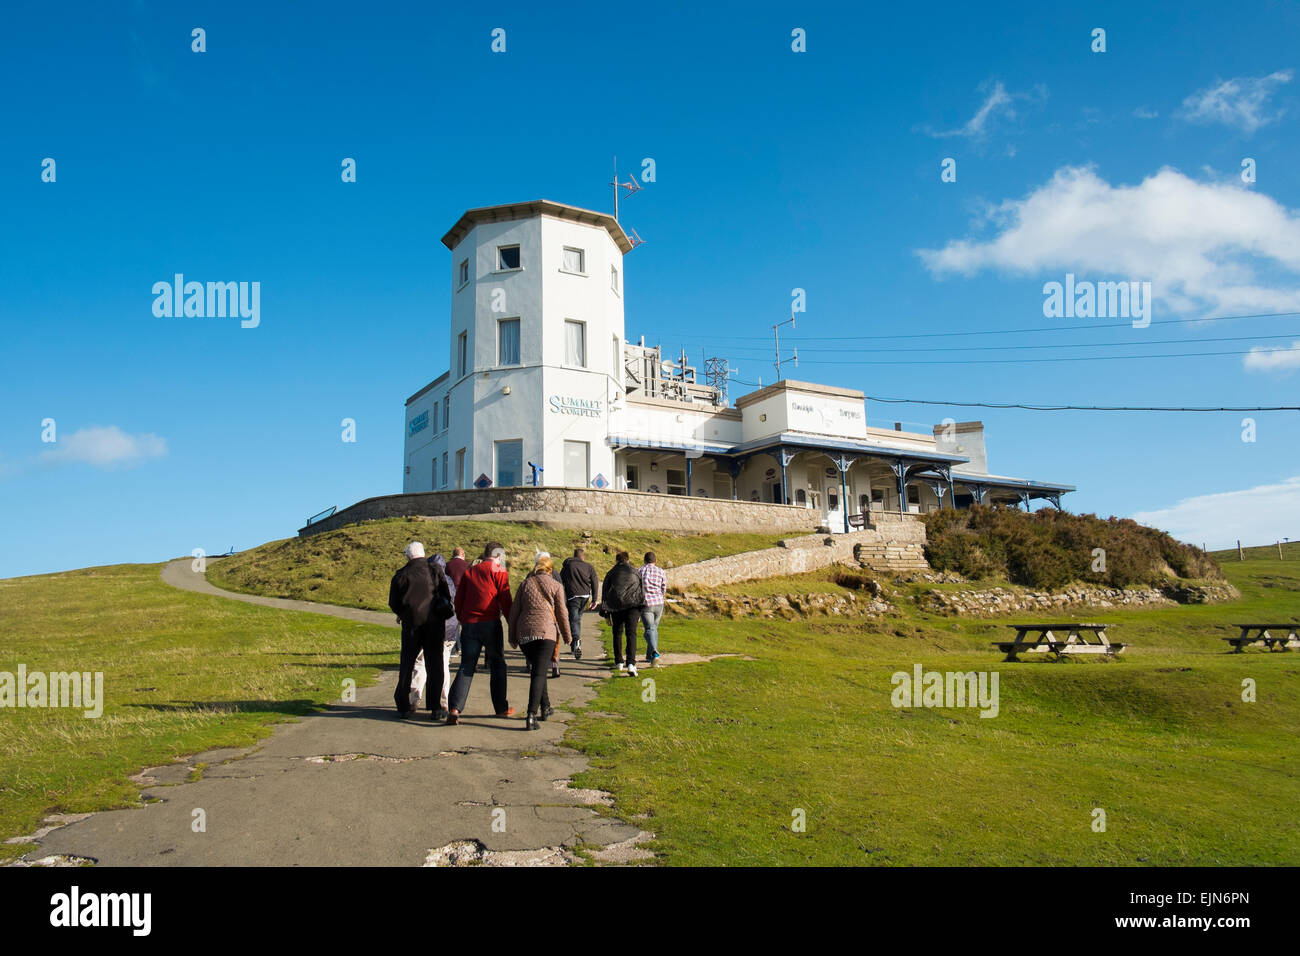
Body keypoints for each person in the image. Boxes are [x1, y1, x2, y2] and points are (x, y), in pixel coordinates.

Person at [446, 542, 514, 724]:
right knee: (498, 664)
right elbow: (505, 600)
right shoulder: (499, 571)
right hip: (490, 622)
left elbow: (459, 599)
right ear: (499, 555)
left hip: (469, 624)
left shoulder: (470, 571)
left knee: (467, 665)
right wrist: (512, 623)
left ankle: (454, 708)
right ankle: (501, 708)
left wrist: (461, 617)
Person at [506, 552, 572, 730]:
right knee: (539, 674)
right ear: (550, 570)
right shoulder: (556, 586)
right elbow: (562, 613)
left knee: (538, 670)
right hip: (545, 634)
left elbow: (514, 612)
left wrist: (512, 636)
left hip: (525, 635)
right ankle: (531, 715)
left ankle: (546, 707)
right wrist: (568, 636)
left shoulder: (525, 584)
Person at [388, 542, 452, 719]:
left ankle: (403, 705)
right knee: (435, 665)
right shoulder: (435, 570)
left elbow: (393, 602)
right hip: (434, 624)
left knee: (407, 665)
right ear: (423, 554)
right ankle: (435, 708)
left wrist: (404, 613)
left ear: (408, 556)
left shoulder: (401, 575)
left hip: (411, 626)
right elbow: (446, 594)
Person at [601, 550, 644, 677]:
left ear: (616, 560)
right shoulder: (635, 571)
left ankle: (619, 661)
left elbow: (605, 593)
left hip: (616, 605)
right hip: (633, 605)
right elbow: (642, 591)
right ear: (628, 559)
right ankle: (631, 663)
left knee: (617, 633)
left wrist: (606, 613)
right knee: (631, 634)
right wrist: (640, 611)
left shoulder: (611, 573)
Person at [428, 553, 460, 718]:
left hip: (432, 627)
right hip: (449, 627)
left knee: (424, 665)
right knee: (443, 665)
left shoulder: (426, 579)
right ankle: (444, 701)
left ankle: (416, 698)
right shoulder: (449, 581)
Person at [560, 547, 598, 661]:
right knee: (576, 619)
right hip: (585, 596)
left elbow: (560, 581)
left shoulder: (568, 566)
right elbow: (595, 582)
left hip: (573, 596)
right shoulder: (588, 567)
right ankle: (574, 646)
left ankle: (576, 641)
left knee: (574, 619)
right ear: (583, 557)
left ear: (573, 555)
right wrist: (594, 599)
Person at [638, 551, 666, 667]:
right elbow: (664, 587)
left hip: (646, 604)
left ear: (644, 560)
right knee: (653, 629)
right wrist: (660, 596)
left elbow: (637, 588)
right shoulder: (661, 571)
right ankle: (649, 657)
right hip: (659, 603)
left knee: (649, 630)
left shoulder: (639, 571)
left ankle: (654, 653)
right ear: (655, 561)